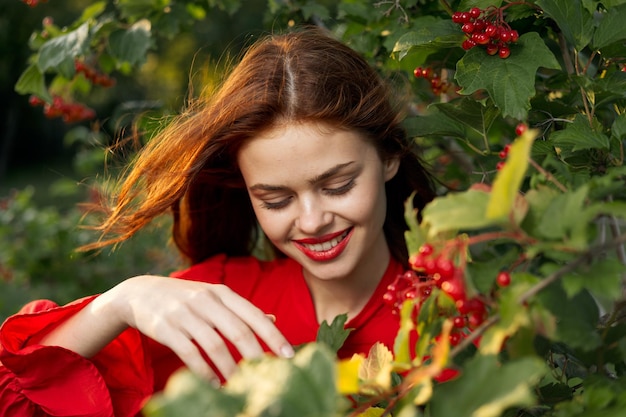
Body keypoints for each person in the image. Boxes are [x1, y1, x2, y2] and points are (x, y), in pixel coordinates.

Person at [0, 27, 435, 416]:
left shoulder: (454, 305)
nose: (312, 220)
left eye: (338, 186)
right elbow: (17, 396)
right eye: (276, 199)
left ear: (389, 157)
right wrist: (120, 302)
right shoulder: (217, 304)